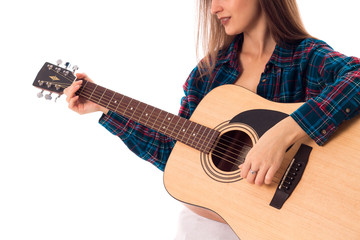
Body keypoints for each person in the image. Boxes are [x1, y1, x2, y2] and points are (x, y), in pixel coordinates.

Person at [64, 0, 360, 239]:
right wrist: (106, 109)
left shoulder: (307, 57)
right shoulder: (208, 73)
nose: (213, 8)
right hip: (213, 227)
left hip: (295, 223)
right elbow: (176, 155)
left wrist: (283, 133)